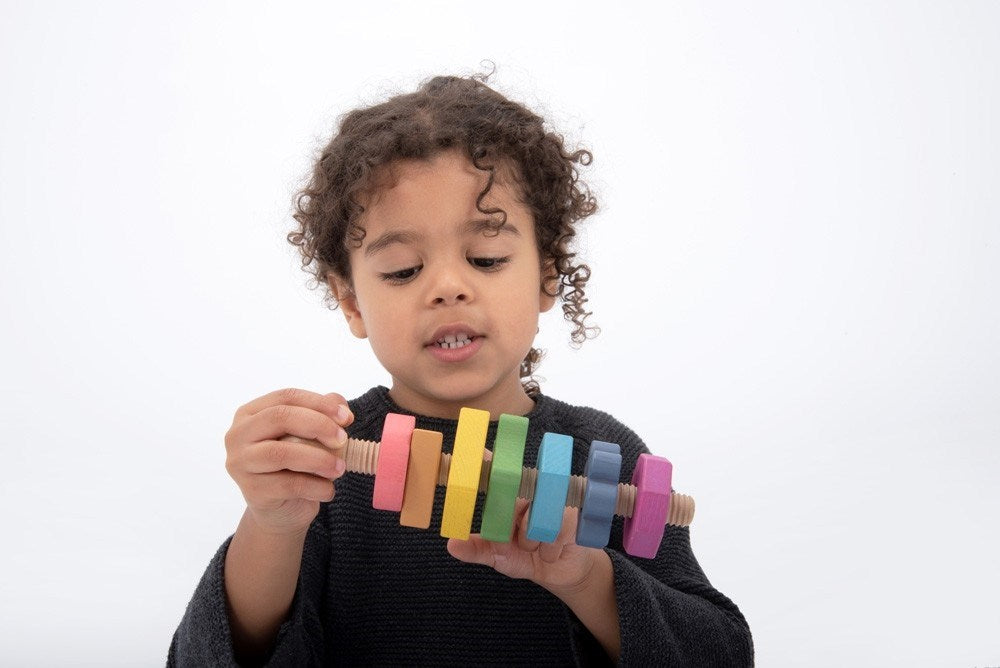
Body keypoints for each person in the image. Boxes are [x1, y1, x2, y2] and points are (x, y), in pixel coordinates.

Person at [168, 72, 753, 666]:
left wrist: (587, 580)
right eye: (402, 270)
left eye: (487, 257)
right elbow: (204, 659)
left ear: (548, 274)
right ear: (350, 300)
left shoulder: (604, 456)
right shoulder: (331, 465)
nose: (448, 288)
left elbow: (721, 655)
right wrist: (270, 522)